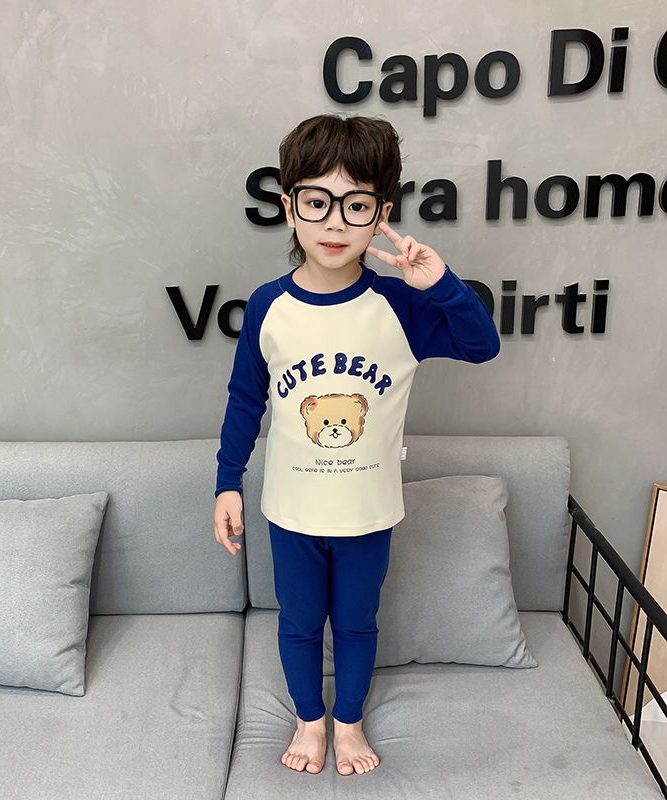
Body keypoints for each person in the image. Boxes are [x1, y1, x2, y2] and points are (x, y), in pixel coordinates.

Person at [212, 113, 500, 777]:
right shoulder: (268, 306)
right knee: (298, 622)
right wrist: (227, 481)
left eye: (356, 205)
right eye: (317, 201)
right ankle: (308, 720)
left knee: (356, 623)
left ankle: (348, 722)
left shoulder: (403, 305)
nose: (335, 222)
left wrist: (441, 284)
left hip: (368, 513)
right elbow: (245, 400)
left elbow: (482, 346)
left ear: (382, 214)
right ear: (290, 207)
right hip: (292, 512)